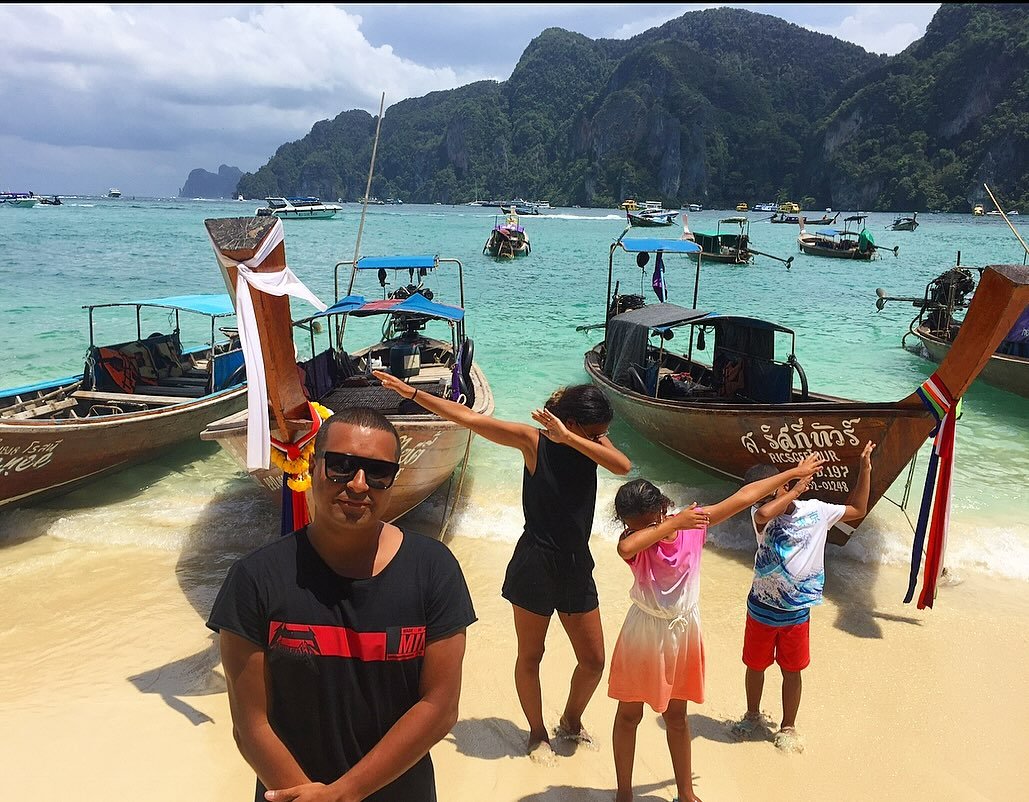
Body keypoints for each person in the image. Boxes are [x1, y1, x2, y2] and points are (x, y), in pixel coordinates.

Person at [207, 407, 477, 802]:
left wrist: (344, 793)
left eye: (378, 472)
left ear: (393, 479)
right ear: (312, 466)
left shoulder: (434, 570)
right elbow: (251, 724)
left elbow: (439, 706)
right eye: (341, 466)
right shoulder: (255, 578)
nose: (358, 484)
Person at [373, 369, 631, 765]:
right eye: (595, 432)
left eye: (602, 433)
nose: (600, 438)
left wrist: (575, 438)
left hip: (577, 564)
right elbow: (469, 419)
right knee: (531, 655)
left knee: (594, 661)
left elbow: (622, 466)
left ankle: (570, 720)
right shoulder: (533, 442)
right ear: (572, 420)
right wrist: (412, 394)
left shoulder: (591, 441)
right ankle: (537, 733)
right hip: (534, 564)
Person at [609, 455, 825, 802]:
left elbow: (745, 495)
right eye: (635, 527)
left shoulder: (693, 524)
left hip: (683, 631)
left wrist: (793, 473)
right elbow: (626, 547)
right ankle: (623, 794)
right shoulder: (637, 538)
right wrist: (670, 524)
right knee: (629, 714)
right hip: (644, 631)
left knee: (677, 716)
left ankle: (685, 792)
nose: (641, 532)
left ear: (662, 508)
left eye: (649, 524)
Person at [730, 442, 876, 753]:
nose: (762, 501)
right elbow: (766, 511)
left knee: (792, 670)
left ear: (780, 486)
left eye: (768, 493)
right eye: (758, 496)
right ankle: (752, 715)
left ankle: (788, 725)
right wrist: (794, 489)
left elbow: (858, 510)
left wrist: (864, 470)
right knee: (755, 666)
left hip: (796, 612)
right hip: (762, 608)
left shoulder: (817, 511)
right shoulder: (761, 514)